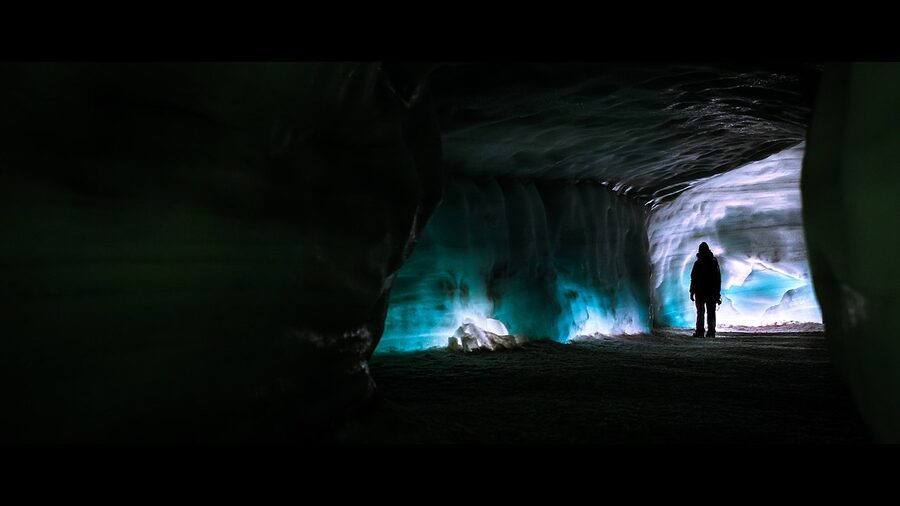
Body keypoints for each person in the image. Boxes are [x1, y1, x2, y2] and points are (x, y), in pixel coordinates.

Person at [689, 242, 722, 337]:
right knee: (711, 312)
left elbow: (693, 278)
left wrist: (692, 291)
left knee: (700, 312)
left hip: (700, 292)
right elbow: (717, 279)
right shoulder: (713, 263)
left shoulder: (698, 263)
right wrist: (717, 293)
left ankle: (700, 331)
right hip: (711, 291)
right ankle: (711, 331)